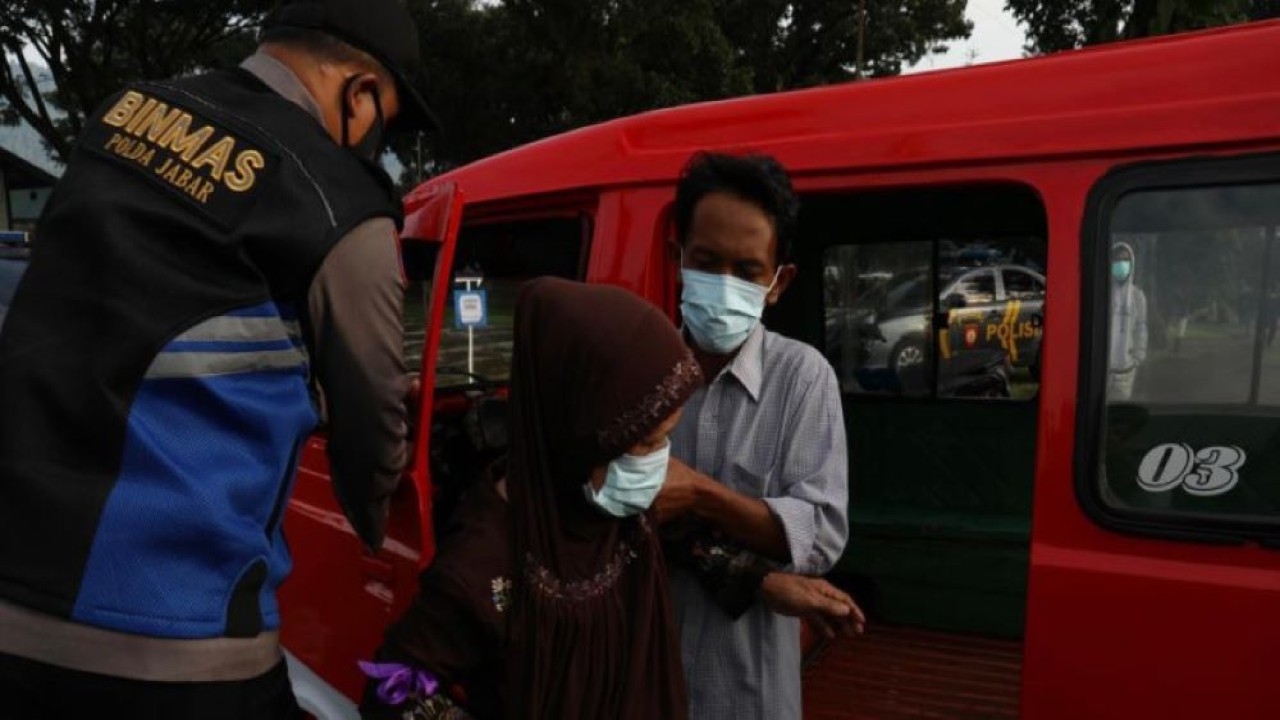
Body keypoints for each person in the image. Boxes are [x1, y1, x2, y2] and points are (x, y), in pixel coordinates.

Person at [0, 0, 437, 716]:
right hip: (179, 642)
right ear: (359, 94)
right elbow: (375, 438)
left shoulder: (120, 117)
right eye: (385, 117)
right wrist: (372, 510)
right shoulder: (340, 203)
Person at [362, 279, 862, 719]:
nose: (660, 464)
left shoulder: (606, 503)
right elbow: (393, 690)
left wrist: (763, 581)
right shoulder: (483, 564)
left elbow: (674, 543)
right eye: (644, 443)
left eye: (666, 438)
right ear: (577, 431)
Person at [655, 152, 851, 720]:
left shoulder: (804, 378)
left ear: (778, 281)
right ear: (679, 260)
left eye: (746, 271)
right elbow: (619, 518)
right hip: (648, 680)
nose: (724, 284)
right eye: (707, 262)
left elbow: (818, 537)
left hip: (749, 692)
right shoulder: (642, 370)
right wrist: (759, 566)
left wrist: (696, 494)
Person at [1109, 242, 1148, 400]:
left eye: (1125, 260)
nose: (1121, 264)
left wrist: (1137, 357)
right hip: (1102, 373)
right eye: (1117, 260)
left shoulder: (1138, 296)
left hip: (1126, 372)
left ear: (1131, 264)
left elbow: (1141, 328)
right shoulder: (1103, 292)